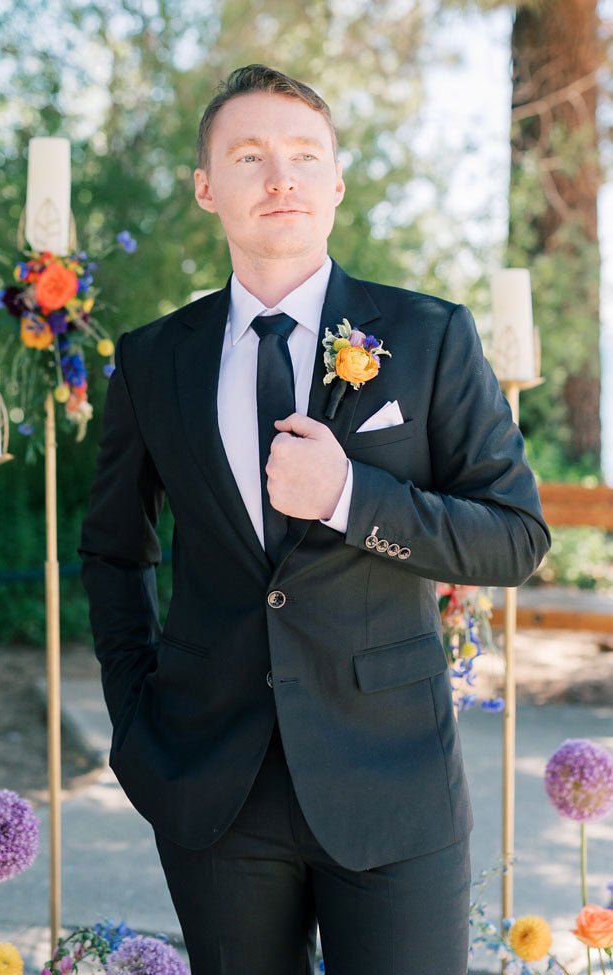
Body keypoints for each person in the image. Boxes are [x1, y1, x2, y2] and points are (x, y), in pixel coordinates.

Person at [80, 64, 550, 975]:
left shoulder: (430, 336)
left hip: (393, 781)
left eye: (303, 155)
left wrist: (347, 497)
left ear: (335, 183)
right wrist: (136, 714)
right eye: (248, 156)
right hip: (212, 782)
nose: (279, 178)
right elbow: (112, 550)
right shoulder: (152, 360)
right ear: (206, 187)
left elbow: (515, 536)